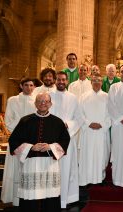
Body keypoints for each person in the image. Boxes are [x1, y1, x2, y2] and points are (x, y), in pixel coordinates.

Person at [8, 92, 70, 212]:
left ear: (50, 104)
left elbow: (65, 141)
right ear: (35, 103)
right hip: (31, 165)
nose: (43, 104)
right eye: (40, 101)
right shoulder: (25, 120)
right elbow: (14, 141)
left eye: (46, 101)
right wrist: (31, 147)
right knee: (31, 196)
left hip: (49, 165)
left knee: (50, 195)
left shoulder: (57, 122)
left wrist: (50, 147)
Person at [1, 78, 36, 206]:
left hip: (32, 141)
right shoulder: (13, 100)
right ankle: (15, 199)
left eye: (31, 85)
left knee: (29, 170)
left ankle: (29, 198)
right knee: (15, 169)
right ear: (21, 86)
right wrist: (22, 131)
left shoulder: (37, 100)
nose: (29, 88)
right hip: (17, 139)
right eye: (26, 85)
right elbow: (8, 121)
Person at [49, 71, 82, 208]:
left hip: (68, 138)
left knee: (68, 169)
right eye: (59, 79)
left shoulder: (73, 98)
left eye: (63, 80)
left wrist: (68, 124)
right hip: (51, 139)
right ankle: (52, 198)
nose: (61, 82)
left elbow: (78, 118)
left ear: (67, 81)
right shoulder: (49, 96)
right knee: (52, 169)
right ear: (55, 81)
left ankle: (66, 199)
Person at [78, 73, 111, 186]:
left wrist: (102, 124)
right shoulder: (83, 96)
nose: (97, 82)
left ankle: (100, 177)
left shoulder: (107, 97)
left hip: (102, 132)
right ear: (91, 82)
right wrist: (88, 124)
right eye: (94, 80)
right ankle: (87, 179)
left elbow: (111, 113)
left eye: (99, 80)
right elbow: (80, 113)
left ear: (102, 82)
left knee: (102, 154)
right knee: (88, 154)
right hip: (88, 131)